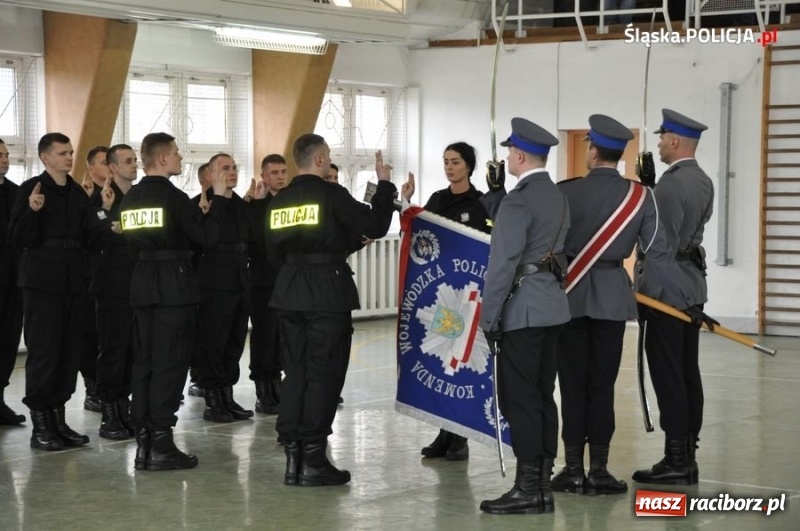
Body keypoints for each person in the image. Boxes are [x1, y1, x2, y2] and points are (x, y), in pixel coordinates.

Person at [552, 114, 689, 495]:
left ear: (592, 151)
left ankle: (572, 470)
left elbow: (549, 248)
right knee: (602, 386)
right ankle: (599, 471)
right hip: (612, 297)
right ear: (620, 154)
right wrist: (683, 302)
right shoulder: (641, 196)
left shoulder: (564, 191)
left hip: (569, 296)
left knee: (573, 385)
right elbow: (658, 255)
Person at [266, 134, 396, 487]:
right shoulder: (331, 194)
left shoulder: (280, 201)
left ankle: (293, 457)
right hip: (326, 292)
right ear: (321, 160)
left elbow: (271, 251)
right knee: (324, 374)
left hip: (289, 291)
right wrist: (384, 185)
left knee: (295, 373)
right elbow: (375, 225)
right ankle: (313, 459)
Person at [479, 118, 571, 515]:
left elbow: (503, 264)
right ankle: (543, 483)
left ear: (517, 156)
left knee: (519, 400)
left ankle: (527, 488)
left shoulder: (518, 201)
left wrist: (488, 316)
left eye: (508, 153)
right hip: (551, 306)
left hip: (522, 311)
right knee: (542, 397)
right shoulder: (557, 196)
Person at [120, 132, 227, 471]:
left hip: (141, 283)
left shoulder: (130, 199)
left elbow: (131, 247)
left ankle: (144, 443)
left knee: (145, 363)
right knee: (170, 362)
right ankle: (162, 444)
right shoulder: (176, 198)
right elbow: (208, 239)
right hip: (173, 286)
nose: (181, 158)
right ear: (162, 159)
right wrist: (220, 201)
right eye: (177, 153)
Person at [8, 133, 115, 451]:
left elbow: (93, 240)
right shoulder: (32, 189)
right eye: (62, 153)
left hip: (74, 282)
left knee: (69, 352)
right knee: (44, 352)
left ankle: (58, 419)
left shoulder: (80, 195)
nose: (69, 157)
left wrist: (105, 211)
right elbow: (16, 239)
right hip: (43, 283)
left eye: (71, 152)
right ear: (45, 158)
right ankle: (41, 424)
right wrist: (33, 211)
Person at [633, 109, 715, 486]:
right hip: (691, 285)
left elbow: (660, 245)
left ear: (676, 141)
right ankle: (689, 453)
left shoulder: (671, 185)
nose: (659, 143)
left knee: (668, 377)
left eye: (663, 137)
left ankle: (676, 460)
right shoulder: (702, 180)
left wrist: (662, 296)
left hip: (668, 292)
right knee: (687, 374)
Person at [401, 141, 495, 461]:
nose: (450, 167)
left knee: (463, 365)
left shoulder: (482, 202)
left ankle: (460, 438)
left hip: (469, 297)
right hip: (443, 297)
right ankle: (443, 432)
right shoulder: (438, 200)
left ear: (468, 165)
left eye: (455, 162)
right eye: (445, 162)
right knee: (443, 366)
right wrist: (407, 201)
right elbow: (422, 235)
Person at [195, 153, 254, 423]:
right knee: (212, 343)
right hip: (213, 284)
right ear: (209, 174)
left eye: (234, 167)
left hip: (240, 280)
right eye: (225, 168)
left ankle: (227, 396)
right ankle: (213, 400)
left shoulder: (242, 205)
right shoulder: (200, 205)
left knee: (234, 342)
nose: (232, 173)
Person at [90, 144, 139, 439]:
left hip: (137, 284)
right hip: (111, 286)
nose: (134, 166)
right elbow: (95, 239)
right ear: (112, 167)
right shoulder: (99, 200)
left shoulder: (139, 198)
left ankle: (125, 407)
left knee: (133, 350)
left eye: (135, 161)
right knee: (113, 349)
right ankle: (110, 412)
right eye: (128, 161)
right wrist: (106, 215)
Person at [247, 154, 288, 415]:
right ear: (264, 176)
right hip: (263, 281)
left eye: (284, 171)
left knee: (283, 338)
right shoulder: (256, 205)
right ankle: (263, 391)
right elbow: (257, 239)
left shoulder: (292, 201)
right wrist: (258, 204)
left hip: (287, 280)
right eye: (275, 173)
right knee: (264, 337)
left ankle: (277, 386)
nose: (281, 177)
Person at [80, 145, 110, 413]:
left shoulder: (124, 194)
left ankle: (113, 388)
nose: (110, 164)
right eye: (104, 161)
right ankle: (93, 389)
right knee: (91, 335)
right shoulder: (85, 197)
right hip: (91, 276)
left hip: (117, 275)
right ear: (91, 169)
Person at [0, 138, 25, 426]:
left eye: (7, 155)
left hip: (12, 280)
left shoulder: (18, 194)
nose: (5, 159)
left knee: (7, 341)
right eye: (1, 155)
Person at [187, 162, 212, 398]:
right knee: (200, 332)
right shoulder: (194, 205)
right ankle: (197, 377)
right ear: (203, 181)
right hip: (199, 277)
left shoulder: (234, 203)